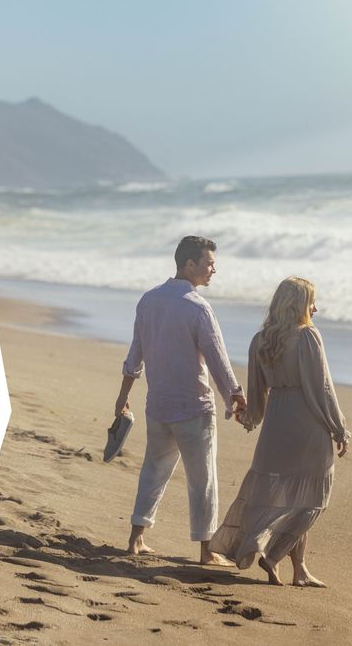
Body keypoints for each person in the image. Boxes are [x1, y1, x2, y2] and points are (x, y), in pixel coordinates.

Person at [208, 276, 350, 587]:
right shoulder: (309, 336)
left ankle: (297, 569)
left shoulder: (261, 340)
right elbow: (321, 389)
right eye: (312, 300)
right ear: (300, 304)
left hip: (275, 428)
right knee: (310, 498)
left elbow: (257, 391)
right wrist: (339, 428)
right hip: (307, 425)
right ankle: (275, 557)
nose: (316, 307)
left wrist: (251, 418)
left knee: (278, 497)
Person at [114, 235, 247, 565]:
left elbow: (135, 356)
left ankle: (136, 539)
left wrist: (122, 398)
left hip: (157, 407)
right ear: (190, 264)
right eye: (209, 263)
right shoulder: (198, 307)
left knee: (153, 471)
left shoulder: (148, 301)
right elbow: (217, 359)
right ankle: (206, 552)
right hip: (193, 409)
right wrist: (235, 397)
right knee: (203, 481)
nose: (213, 269)